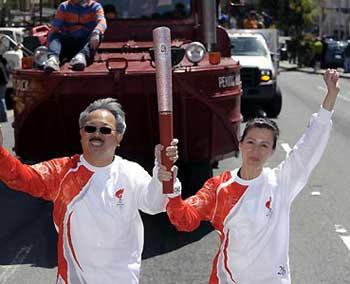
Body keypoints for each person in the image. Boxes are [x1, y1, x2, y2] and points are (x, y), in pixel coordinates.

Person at [166, 69, 340, 284]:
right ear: (240, 145)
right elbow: (185, 220)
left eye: (264, 145)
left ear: (272, 151)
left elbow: (310, 144)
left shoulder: (281, 182)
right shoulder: (219, 187)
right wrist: (172, 190)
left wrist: (330, 96)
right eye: (251, 142)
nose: (256, 151)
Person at [0, 98, 179, 284]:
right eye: (90, 129)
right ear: (81, 134)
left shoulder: (130, 172)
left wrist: (161, 176)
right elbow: (21, 177)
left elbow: (155, 204)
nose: (96, 134)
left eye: (105, 130)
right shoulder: (62, 172)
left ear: (119, 137)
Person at [44, 0, 107, 72]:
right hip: (69, 43)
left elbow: (102, 21)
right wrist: (48, 46)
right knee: (55, 35)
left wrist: (96, 32)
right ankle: (53, 59)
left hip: (85, 44)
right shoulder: (64, 6)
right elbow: (54, 28)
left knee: (99, 35)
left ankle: (81, 57)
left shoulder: (95, 6)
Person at [0, 55, 8, 123]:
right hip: (4, 82)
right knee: (2, 99)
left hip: (1, 83)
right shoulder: (2, 62)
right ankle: (3, 117)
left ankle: (3, 117)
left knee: (1, 99)